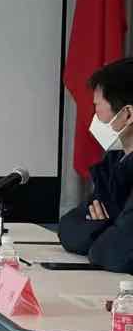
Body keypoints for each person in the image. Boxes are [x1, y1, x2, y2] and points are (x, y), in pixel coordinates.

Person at [60, 57, 133, 271]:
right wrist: (111, 229)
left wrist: (101, 227)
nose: (93, 118)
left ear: (127, 114)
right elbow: (68, 229)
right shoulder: (113, 164)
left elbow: (116, 254)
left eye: (98, 108)